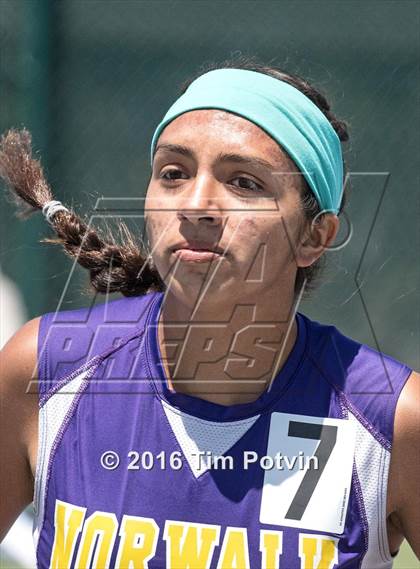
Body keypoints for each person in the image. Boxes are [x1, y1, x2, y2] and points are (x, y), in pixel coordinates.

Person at [0, 58, 418, 569]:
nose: (196, 204)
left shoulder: (391, 419)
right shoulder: (43, 370)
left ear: (314, 236)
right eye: (172, 174)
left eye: (244, 183)